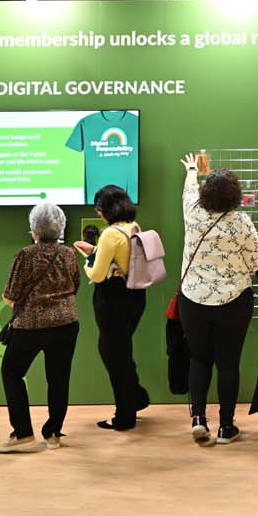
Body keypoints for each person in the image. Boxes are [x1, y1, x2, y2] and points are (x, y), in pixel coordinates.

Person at [178, 153, 258, 444]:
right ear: (235, 196)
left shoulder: (192, 211)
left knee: (199, 359)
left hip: (193, 300)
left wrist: (192, 169)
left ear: (205, 194)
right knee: (228, 365)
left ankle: (198, 419)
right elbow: (256, 263)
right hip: (234, 302)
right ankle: (226, 427)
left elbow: (188, 189)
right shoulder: (241, 222)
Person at [0, 202, 81, 454]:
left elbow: (11, 294)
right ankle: (53, 433)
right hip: (66, 323)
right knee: (59, 377)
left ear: (34, 229)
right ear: (60, 227)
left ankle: (23, 434)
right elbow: (75, 285)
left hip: (30, 325)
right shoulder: (68, 254)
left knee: (11, 372)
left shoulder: (25, 255)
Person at [74, 185, 148, 432]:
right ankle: (136, 397)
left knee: (114, 356)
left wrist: (87, 259)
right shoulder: (134, 228)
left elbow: (96, 275)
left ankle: (125, 416)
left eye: (98, 210)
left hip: (112, 301)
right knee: (120, 353)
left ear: (105, 210)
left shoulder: (109, 234)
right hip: (136, 296)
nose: (98, 215)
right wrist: (95, 251)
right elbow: (121, 260)